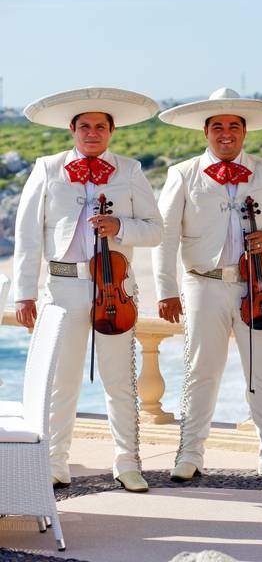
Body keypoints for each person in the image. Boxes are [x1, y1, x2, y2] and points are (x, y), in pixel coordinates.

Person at [154, 88, 262, 481]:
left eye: (234, 127)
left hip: (257, 287)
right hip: (203, 285)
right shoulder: (183, 173)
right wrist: (166, 290)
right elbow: (165, 234)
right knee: (201, 371)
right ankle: (189, 455)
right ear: (206, 132)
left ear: (244, 132)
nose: (227, 133)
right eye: (218, 127)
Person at [15, 87, 162, 492]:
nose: (92, 133)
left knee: (119, 379)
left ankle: (128, 462)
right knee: (62, 380)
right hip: (62, 288)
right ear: (72, 130)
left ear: (111, 131)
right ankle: (53, 463)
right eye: (85, 126)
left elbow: (155, 230)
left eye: (100, 126)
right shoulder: (47, 168)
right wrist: (24, 293)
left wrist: (120, 228)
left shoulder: (130, 170)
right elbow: (27, 234)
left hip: (113, 288)